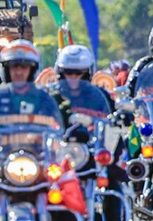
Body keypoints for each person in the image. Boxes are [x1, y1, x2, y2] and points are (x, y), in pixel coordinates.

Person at [0, 40, 70, 220]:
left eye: (24, 67)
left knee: (67, 194)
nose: (19, 71)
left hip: (39, 159)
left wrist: (74, 128)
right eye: (14, 67)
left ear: (32, 69)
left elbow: (66, 114)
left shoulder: (47, 96)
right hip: (1, 160)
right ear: (5, 70)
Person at [48, 44, 124, 221]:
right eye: (69, 72)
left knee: (112, 180)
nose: (73, 77)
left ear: (88, 73)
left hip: (91, 151)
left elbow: (114, 120)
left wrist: (123, 116)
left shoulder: (101, 95)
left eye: (79, 73)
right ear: (60, 72)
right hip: (59, 154)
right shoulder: (51, 96)